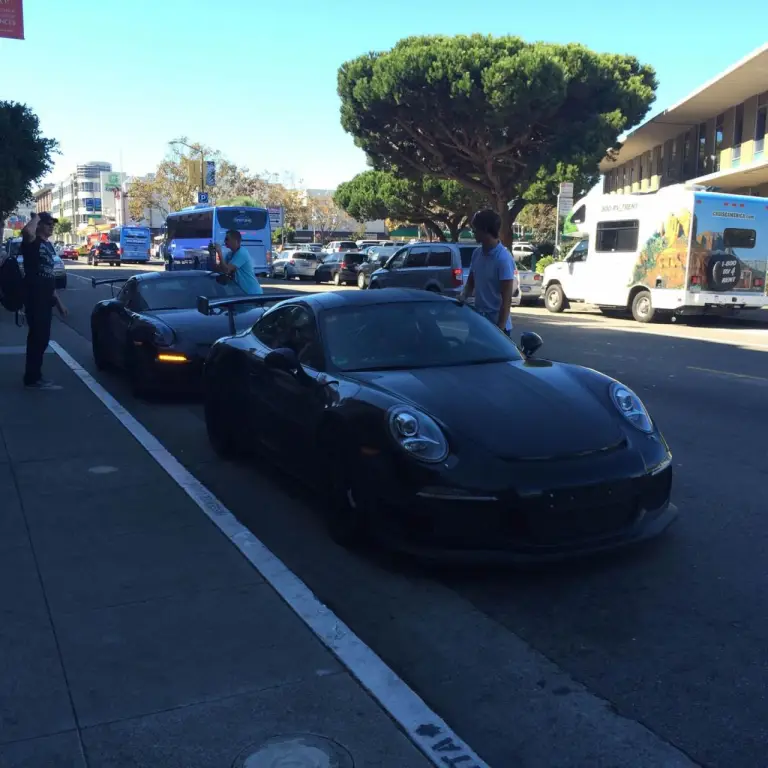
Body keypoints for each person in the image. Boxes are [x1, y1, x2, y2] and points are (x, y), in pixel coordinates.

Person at [20, 212, 68, 390]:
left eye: (52, 224)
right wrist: (35, 217)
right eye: (48, 223)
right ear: (39, 225)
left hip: (46, 298)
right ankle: (32, 378)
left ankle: (34, 375)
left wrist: (59, 303)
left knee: (42, 338)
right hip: (35, 297)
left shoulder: (48, 246)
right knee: (37, 338)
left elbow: (49, 277)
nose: (51, 226)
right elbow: (26, 230)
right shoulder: (32, 243)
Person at [459, 209, 517, 335]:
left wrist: (500, 329)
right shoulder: (476, 254)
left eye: (475, 228)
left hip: (498, 327)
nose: (472, 232)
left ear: (485, 229)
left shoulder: (503, 259)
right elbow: (470, 284)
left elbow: (506, 300)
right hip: (479, 322)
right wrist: (462, 297)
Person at [212, 229, 263, 295]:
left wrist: (219, 252)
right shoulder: (230, 254)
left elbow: (226, 270)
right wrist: (212, 254)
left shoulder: (242, 252)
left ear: (235, 241)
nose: (225, 241)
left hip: (252, 294)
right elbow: (219, 269)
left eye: (227, 239)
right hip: (241, 294)